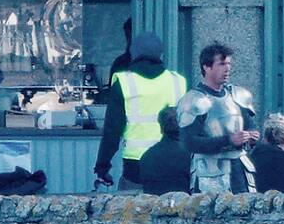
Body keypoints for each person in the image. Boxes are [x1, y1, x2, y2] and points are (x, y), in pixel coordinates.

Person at [95, 31, 187, 192]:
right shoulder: (177, 81)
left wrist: (102, 167)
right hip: (175, 161)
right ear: (160, 53)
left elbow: (112, 130)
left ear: (133, 53)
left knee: (133, 210)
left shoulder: (124, 83)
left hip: (136, 165)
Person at [176, 42, 260, 193]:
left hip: (240, 171)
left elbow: (249, 125)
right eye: (221, 64)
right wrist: (228, 140)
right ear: (206, 67)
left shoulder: (237, 95)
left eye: (228, 63)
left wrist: (251, 136)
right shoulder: (194, 100)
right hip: (209, 173)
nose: (227, 69)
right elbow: (189, 142)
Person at [137, 106, 192, 195]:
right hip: (185, 206)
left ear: (161, 127)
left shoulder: (147, 156)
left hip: (155, 206)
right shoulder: (192, 155)